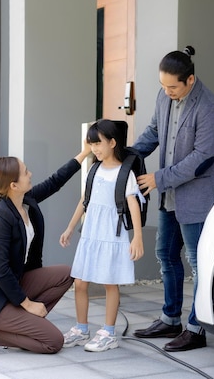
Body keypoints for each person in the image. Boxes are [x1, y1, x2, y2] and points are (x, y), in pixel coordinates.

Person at [132, 46, 214, 351]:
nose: (167, 91)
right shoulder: (165, 96)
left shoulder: (210, 107)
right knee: (166, 256)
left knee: (199, 264)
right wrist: (127, 157)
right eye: (163, 86)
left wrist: (158, 179)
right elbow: (153, 131)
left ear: (190, 80)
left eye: (173, 86)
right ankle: (170, 318)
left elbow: (203, 159)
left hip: (196, 198)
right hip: (170, 198)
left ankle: (196, 328)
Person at [0, 149, 90, 355]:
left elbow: (55, 181)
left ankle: (17, 321)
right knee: (54, 342)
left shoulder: (26, 200)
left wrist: (83, 154)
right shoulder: (0, 217)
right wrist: (27, 304)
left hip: (16, 283)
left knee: (66, 273)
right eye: (25, 172)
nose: (30, 174)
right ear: (13, 185)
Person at [59, 119, 144, 352]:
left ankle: (108, 332)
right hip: (91, 233)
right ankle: (81, 329)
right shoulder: (94, 169)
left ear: (113, 143)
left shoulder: (125, 172)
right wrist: (70, 227)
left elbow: (133, 203)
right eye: (91, 144)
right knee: (80, 283)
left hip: (111, 233)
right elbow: (85, 201)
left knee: (109, 282)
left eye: (98, 144)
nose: (94, 149)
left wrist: (137, 237)